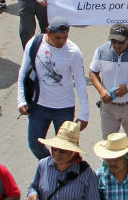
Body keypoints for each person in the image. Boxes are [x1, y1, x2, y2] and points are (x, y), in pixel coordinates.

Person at [18, 17, 90, 160]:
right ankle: (51, 168)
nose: (62, 41)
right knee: (34, 144)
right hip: (39, 105)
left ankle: (66, 174)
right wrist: (21, 100)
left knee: (67, 149)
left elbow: (81, 82)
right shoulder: (34, 43)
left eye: (65, 37)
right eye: (58, 37)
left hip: (64, 108)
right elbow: (23, 71)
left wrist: (85, 113)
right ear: (48, 32)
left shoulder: (73, 52)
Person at [89, 24, 128, 149]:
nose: (117, 45)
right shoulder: (101, 51)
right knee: (108, 147)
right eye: (113, 41)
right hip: (108, 107)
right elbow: (93, 72)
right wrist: (102, 91)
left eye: (121, 42)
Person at [27, 121, 100, 200]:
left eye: (62, 151)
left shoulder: (88, 175)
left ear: (73, 152)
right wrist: (33, 194)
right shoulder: (43, 164)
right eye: (54, 149)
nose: (57, 153)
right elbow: (33, 187)